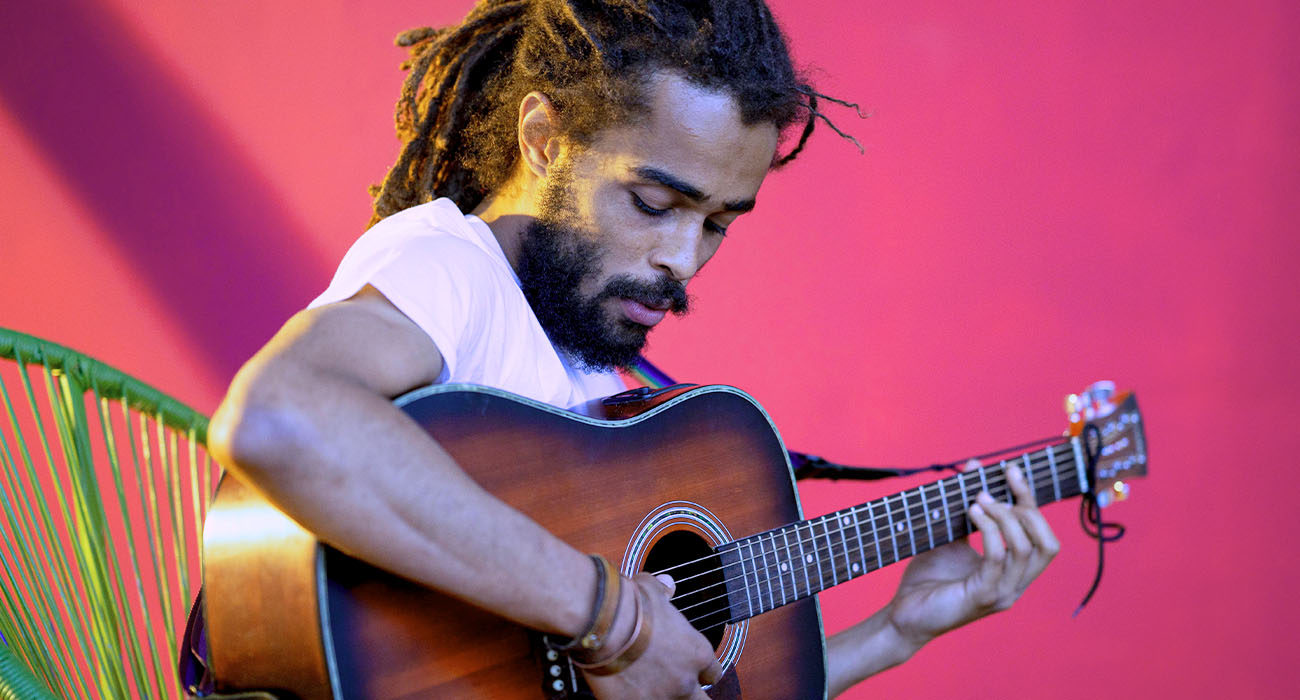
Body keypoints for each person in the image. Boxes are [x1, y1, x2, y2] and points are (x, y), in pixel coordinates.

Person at [206, 1, 1059, 697]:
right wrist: (613, 620)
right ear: (545, 139)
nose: (683, 259)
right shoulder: (451, 270)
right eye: (655, 203)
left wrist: (896, 632)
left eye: (718, 224)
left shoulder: (589, 361)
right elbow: (281, 418)